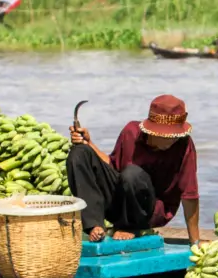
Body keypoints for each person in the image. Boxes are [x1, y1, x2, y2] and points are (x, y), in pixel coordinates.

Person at [67, 93, 202, 242]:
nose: (171, 140)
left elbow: (190, 195)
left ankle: (130, 226)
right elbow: (113, 166)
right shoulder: (131, 132)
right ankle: (94, 224)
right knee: (79, 153)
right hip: (121, 201)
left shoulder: (184, 145)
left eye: (174, 136)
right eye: (166, 136)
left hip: (149, 210)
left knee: (132, 173)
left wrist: (194, 241)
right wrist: (89, 143)